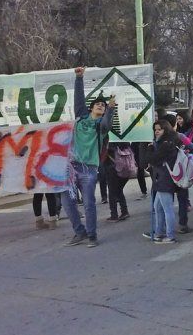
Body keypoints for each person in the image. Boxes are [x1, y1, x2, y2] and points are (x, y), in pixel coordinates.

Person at [60, 67, 115, 248]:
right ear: (91, 107)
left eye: (103, 105)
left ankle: (92, 235)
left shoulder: (101, 126)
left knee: (89, 203)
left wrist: (111, 109)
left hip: (89, 168)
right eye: (98, 105)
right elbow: (78, 99)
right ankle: (79, 232)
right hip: (71, 166)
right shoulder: (81, 118)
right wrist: (79, 78)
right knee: (66, 200)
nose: (101, 106)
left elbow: (107, 122)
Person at [146, 120, 181, 244]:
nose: (156, 132)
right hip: (161, 178)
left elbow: (154, 159)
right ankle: (159, 232)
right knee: (158, 207)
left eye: (159, 129)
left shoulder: (166, 143)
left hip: (164, 179)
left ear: (165, 130)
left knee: (167, 209)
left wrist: (150, 148)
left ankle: (170, 235)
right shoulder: (166, 142)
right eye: (155, 129)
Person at [104, 142, 132, 222]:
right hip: (125, 168)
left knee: (112, 191)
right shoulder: (124, 140)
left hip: (112, 167)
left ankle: (114, 215)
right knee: (119, 190)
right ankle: (124, 211)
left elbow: (105, 152)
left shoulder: (110, 142)